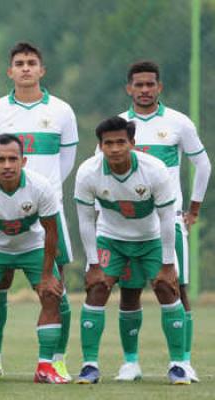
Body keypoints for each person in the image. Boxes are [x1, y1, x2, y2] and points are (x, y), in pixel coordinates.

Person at [0, 42, 77, 380]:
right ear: (10, 71)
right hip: (2, 214)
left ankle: (57, 360)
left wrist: (40, 193)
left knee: (54, 289)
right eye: (19, 63)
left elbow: (66, 161)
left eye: (31, 63)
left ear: (41, 70)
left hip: (47, 213)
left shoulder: (62, 111)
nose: (25, 68)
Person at [114, 61, 211, 382]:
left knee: (176, 288)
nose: (144, 90)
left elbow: (203, 165)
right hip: (128, 226)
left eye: (150, 84)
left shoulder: (178, 123)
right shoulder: (119, 126)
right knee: (130, 291)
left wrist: (193, 210)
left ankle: (182, 362)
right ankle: (130, 363)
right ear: (129, 88)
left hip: (168, 222)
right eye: (138, 85)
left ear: (159, 87)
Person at [75, 116, 188, 385]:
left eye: (120, 142)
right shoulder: (88, 172)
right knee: (97, 288)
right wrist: (93, 264)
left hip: (151, 238)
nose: (115, 149)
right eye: (108, 143)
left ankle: (178, 365)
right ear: (100, 146)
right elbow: (86, 220)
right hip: (111, 238)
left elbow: (167, 218)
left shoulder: (155, 170)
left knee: (166, 288)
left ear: (132, 143)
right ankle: (91, 365)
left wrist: (168, 264)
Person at [0, 134, 66, 384]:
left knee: (51, 294)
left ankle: (45, 367)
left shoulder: (41, 186)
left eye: (12, 159)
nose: (7, 165)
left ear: (23, 161)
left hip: (32, 246)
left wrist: (47, 275)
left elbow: (51, 231)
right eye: (1, 159)